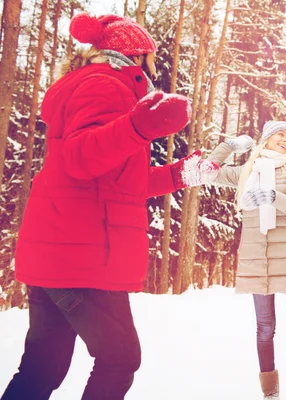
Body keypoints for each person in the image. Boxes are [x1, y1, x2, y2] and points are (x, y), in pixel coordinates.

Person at [2, 13, 218, 400]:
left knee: (42, 369)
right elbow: (81, 157)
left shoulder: (96, 84)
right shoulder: (106, 85)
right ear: (136, 58)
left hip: (61, 252)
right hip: (82, 257)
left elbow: (115, 181)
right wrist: (139, 126)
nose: (154, 67)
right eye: (151, 59)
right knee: (119, 360)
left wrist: (180, 174)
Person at [207, 121, 286, 400]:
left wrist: (274, 197)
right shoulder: (247, 171)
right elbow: (207, 172)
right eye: (280, 135)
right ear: (267, 139)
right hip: (256, 260)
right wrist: (229, 146)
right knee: (265, 328)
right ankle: (270, 392)